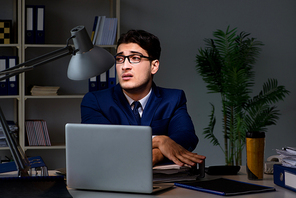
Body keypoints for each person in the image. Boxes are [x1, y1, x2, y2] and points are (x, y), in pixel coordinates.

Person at [81, 29, 205, 167]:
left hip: (162, 183)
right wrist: (159, 141)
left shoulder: (173, 98)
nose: (125, 66)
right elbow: (104, 143)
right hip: (113, 178)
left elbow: (186, 136)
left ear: (154, 66)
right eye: (120, 59)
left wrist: (157, 155)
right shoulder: (94, 101)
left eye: (135, 58)